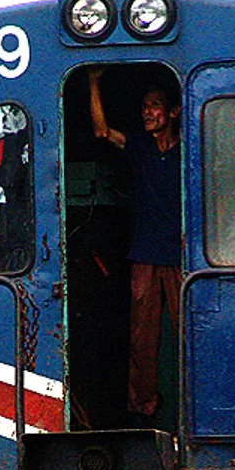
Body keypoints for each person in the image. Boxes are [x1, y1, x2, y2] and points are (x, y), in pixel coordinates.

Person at [87, 68, 182, 424]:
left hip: (182, 256)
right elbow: (101, 131)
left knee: (188, 331)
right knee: (143, 338)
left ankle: (195, 402)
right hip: (144, 255)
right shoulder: (140, 147)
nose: (147, 112)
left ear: (173, 112)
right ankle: (142, 407)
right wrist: (94, 83)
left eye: (155, 106)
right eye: (144, 107)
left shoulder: (188, 149)